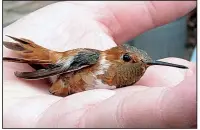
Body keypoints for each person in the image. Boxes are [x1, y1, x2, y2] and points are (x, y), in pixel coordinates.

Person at [3, 1, 196, 128]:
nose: (140, 66)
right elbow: (63, 67)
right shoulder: (94, 58)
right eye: (128, 59)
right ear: (118, 57)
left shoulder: (124, 80)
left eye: (144, 65)